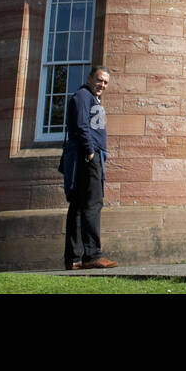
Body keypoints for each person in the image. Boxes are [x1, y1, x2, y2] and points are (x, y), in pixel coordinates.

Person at [61, 66, 118, 269]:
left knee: (78, 206)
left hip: (87, 155)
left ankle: (74, 258)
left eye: (105, 83)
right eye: (99, 80)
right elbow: (81, 124)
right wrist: (90, 150)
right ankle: (92, 254)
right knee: (93, 204)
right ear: (89, 78)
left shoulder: (92, 98)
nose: (102, 85)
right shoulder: (83, 96)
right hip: (87, 156)